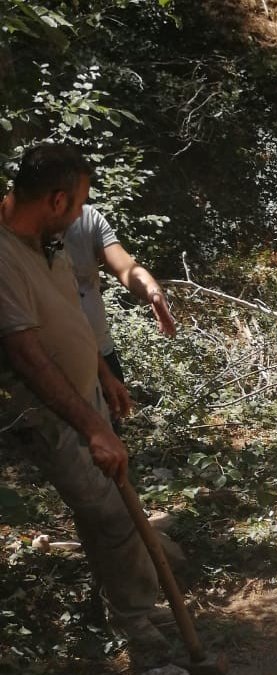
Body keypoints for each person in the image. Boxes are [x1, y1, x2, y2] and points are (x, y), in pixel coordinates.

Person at [0, 144, 171, 671]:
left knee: (112, 508)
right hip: (48, 414)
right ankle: (138, 627)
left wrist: (100, 373)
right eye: (76, 205)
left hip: (82, 397)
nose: (80, 216)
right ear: (55, 200)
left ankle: (129, 608)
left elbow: (66, 318)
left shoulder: (44, 237)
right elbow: (27, 355)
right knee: (111, 512)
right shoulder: (4, 256)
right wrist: (94, 427)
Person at [62, 203, 176, 386]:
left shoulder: (86, 217)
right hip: (53, 356)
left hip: (100, 346)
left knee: (112, 411)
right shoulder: (18, 232)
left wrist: (153, 292)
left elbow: (125, 267)